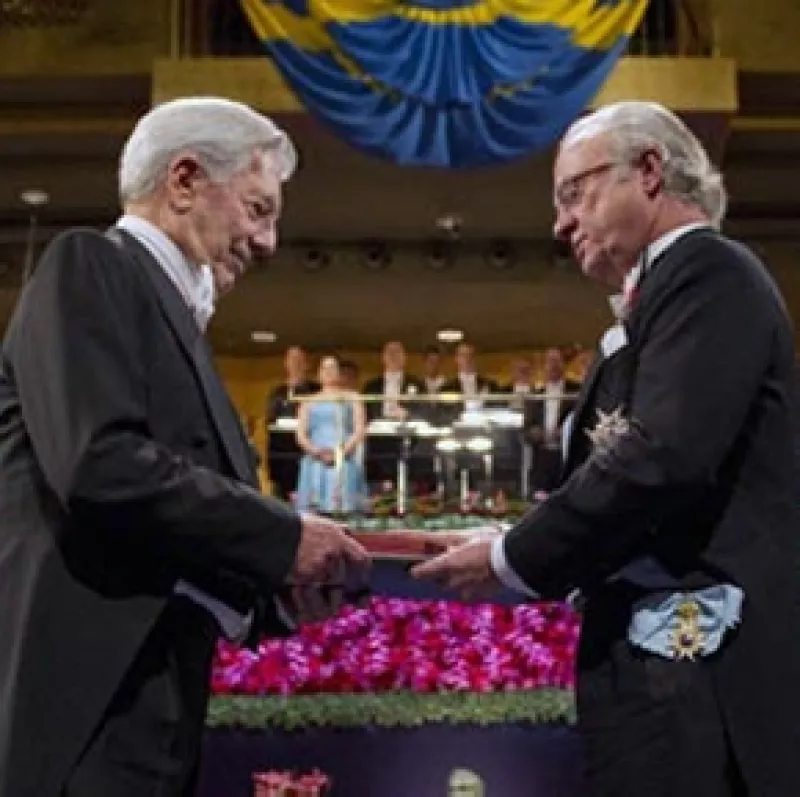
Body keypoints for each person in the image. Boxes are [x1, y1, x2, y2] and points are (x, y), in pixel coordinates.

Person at [412, 101, 800, 797]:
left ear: (649, 171)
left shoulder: (707, 269)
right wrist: (520, 537)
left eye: (574, 192)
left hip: (701, 677)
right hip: (660, 674)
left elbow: (659, 457)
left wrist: (513, 556)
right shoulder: (656, 297)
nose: (561, 222)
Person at [0, 97, 369, 797]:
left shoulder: (170, 320)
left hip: (152, 699)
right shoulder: (90, 263)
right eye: (258, 209)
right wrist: (282, 534)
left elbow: (170, 530)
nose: (266, 243)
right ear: (184, 181)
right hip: (86, 705)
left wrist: (278, 594)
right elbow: (100, 464)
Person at [296, 355, 366, 513]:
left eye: (332, 368)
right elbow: (300, 433)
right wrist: (315, 451)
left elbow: (359, 429)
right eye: (324, 368)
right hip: (315, 459)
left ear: (339, 373)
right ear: (318, 374)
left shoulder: (353, 398)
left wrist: (341, 453)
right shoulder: (308, 401)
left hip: (345, 458)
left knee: (342, 509)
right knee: (313, 511)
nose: (328, 372)